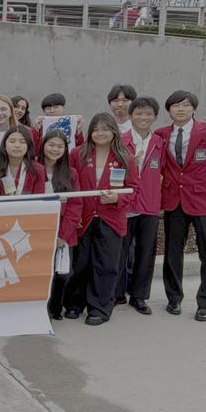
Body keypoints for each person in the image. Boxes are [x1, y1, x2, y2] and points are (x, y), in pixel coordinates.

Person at [156, 90, 206, 321]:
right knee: (172, 253)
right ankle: (174, 298)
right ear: (169, 110)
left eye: (185, 104)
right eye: (175, 105)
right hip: (174, 201)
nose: (180, 109)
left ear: (193, 108)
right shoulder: (161, 134)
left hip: (204, 201)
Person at [66, 113, 138, 326]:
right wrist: (74, 214)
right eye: (96, 129)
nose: (100, 133)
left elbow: (134, 189)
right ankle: (74, 303)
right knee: (80, 263)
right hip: (84, 217)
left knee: (106, 265)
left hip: (111, 218)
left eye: (105, 129)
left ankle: (99, 308)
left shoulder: (125, 158)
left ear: (114, 131)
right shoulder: (78, 154)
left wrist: (117, 198)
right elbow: (69, 184)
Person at [117, 97, 164, 314]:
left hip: (150, 205)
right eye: (138, 113)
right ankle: (117, 293)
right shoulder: (120, 140)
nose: (143, 118)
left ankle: (139, 296)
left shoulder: (160, 143)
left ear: (155, 116)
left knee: (146, 252)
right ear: (130, 115)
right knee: (120, 250)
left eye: (148, 114)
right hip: (125, 205)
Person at [38, 131, 82, 320]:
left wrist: (63, 235)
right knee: (40, 272)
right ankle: (42, 309)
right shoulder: (34, 169)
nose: (55, 149)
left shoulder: (71, 173)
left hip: (63, 233)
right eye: (51, 145)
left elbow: (75, 205)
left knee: (63, 273)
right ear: (43, 145)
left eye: (59, 146)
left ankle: (56, 308)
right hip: (38, 231)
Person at [0, 126, 46, 195]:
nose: (17, 145)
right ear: (4, 145)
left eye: (22, 142)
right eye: (12, 141)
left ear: (28, 146)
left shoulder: (38, 170)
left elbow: (39, 199)